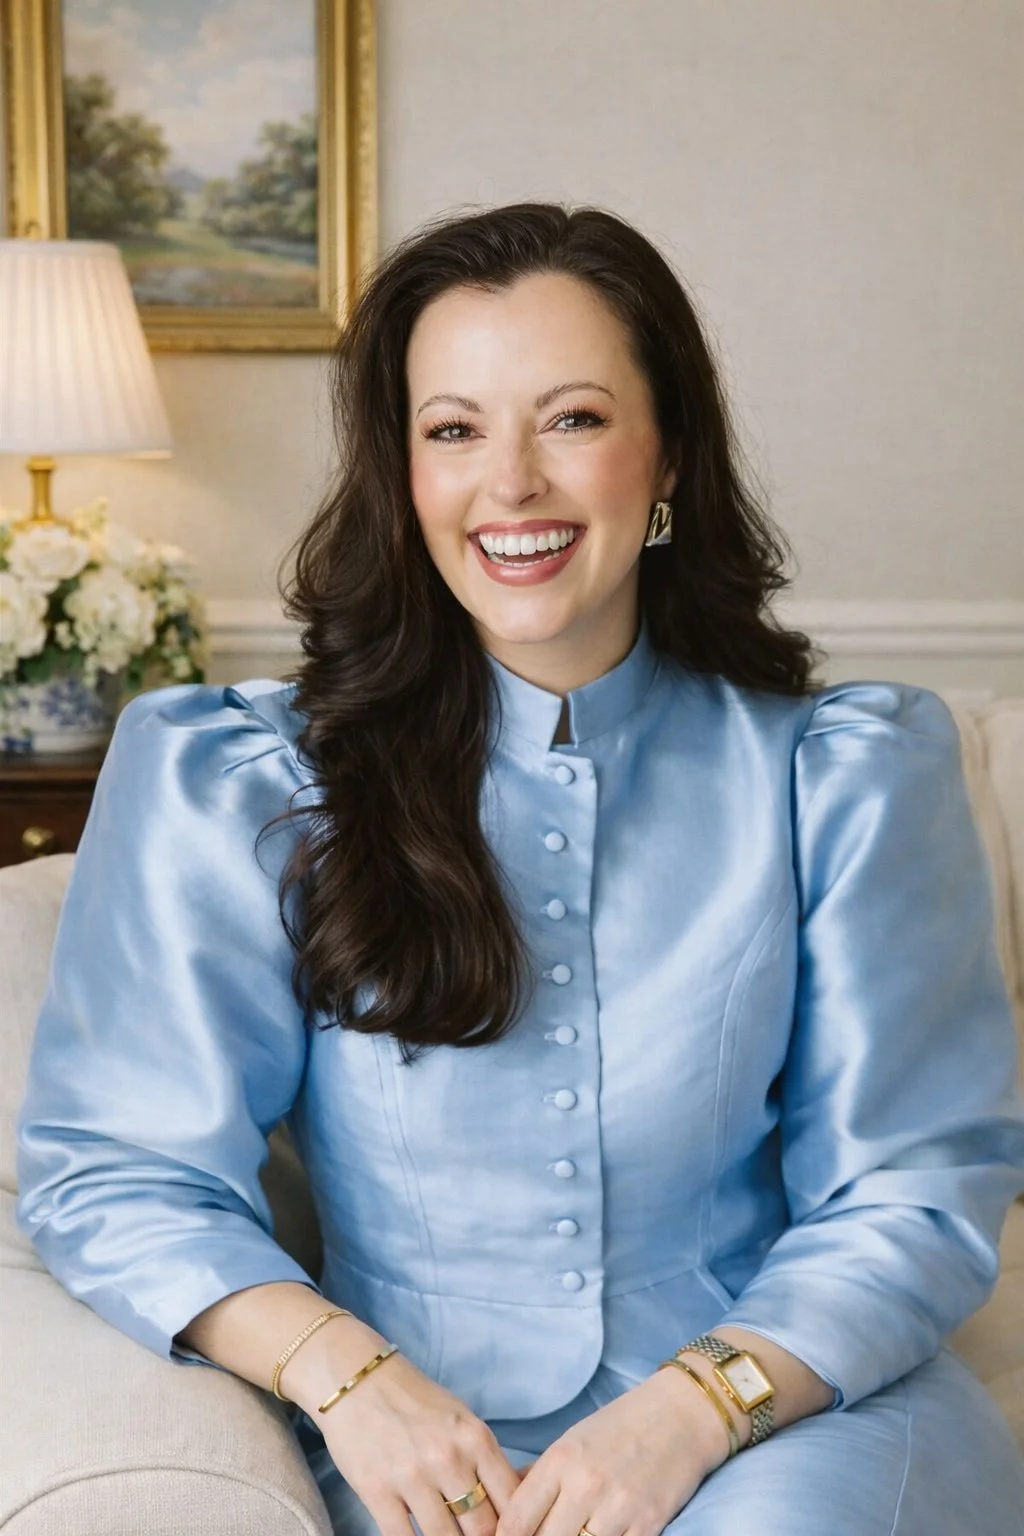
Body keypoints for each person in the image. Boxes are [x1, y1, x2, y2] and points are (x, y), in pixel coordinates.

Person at [15, 203, 1024, 1535]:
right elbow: (120, 1171)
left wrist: (691, 1410)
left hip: (787, 1413)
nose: (512, 485)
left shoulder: (844, 775)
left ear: (667, 455)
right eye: (454, 430)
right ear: (402, 470)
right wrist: (355, 1382)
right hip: (418, 1448)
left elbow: (915, 1187)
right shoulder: (245, 779)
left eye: (574, 419)